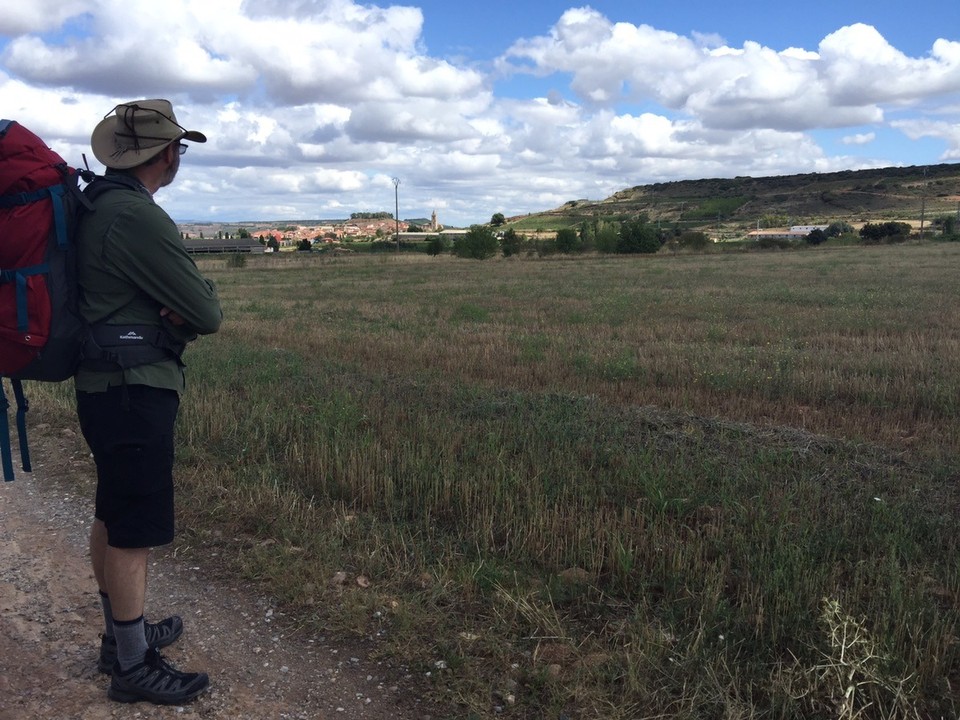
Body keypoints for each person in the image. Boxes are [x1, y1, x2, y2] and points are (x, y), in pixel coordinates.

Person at [76, 99, 222, 704]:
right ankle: (132, 668)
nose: (178, 157)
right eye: (179, 149)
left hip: (102, 384)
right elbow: (207, 311)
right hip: (135, 388)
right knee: (133, 528)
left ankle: (120, 636)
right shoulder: (137, 216)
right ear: (167, 154)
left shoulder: (98, 206)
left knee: (113, 514)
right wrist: (187, 302)